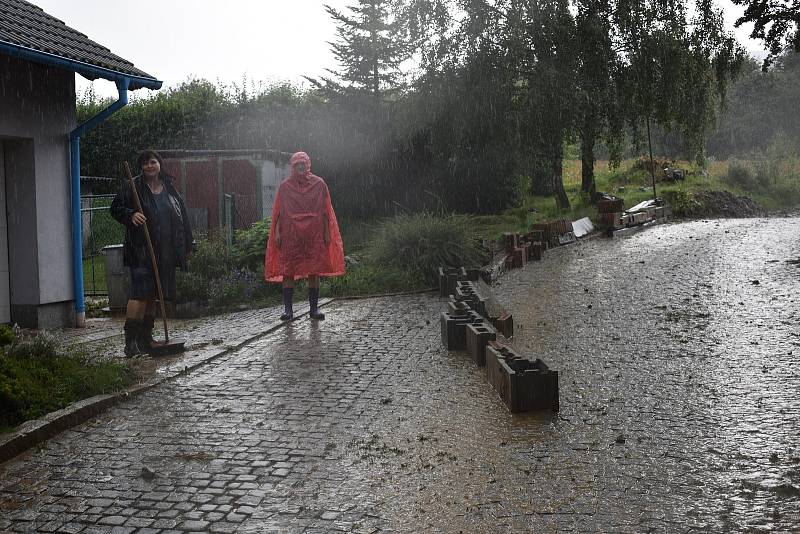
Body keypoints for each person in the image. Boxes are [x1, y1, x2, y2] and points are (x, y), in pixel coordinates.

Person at [111, 150, 193, 356]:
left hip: (165, 251)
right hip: (141, 249)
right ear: (141, 167)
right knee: (140, 294)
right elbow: (115, 208)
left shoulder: (170, 188)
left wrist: (188, 245)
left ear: (159, 164)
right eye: (145, 163)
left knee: (152, 296)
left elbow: (182, 216)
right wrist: (131, 215)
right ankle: (131, 344)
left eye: (153, 162)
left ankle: (146, 339)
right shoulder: (133, 186)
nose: (149, 166)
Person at [264, 151, 345, 320]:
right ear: (293, 167)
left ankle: (314, 309)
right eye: (297, 164)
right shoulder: (285, 187)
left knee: (314, 271)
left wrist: (326, 232)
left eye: (303, 163)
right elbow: (278, 212)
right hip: (291, 235)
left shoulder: (319, 184)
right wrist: (277, 232)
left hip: (314, 235)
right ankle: (288, 311)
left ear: (308, 165)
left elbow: (325, 211)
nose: (300, 166)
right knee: (288, 271)